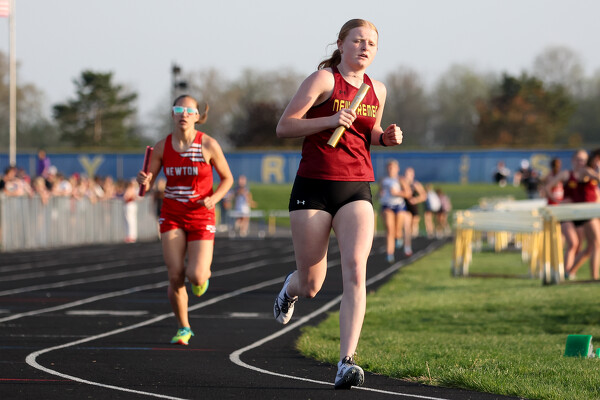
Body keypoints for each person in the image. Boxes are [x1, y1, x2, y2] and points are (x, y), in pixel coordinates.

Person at [272, 19, 403, 390]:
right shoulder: (323, 80)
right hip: (314, 186)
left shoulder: (378, 89)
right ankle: (290, 289)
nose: (364, 48)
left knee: (356, 271)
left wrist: (385, 137)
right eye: (358, 41)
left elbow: (368, 130)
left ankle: (346, 361)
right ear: (341, 44)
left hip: (356, 186)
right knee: (312, 284)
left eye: (371, 43)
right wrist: (330, 119)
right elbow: (285, 126)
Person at [136, 94, 233, 345]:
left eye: (189, 111)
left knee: (196, 275)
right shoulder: (162, 147)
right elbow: (148, 183)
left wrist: (215, 198)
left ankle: (200, 279)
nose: (184, 115)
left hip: (201, 214)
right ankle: (183, 327)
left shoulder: (208, 144)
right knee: (175, 274)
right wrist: (144, 180)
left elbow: (227, 178)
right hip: (172, 215)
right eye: (179, 110)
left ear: (197, 116)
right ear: (172, 114)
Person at [379, 160, 410, 263]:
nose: (390, 170)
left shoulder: (401, 180)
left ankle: (398, 237)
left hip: (399, 206)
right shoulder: (383, 180)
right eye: (389, 167)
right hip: (387, 206)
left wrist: (397, 193)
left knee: (397, 230)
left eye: (392, 168)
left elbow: (408, 193)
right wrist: (380, 194)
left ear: (397, 169)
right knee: (389, 229)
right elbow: (380, 192)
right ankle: (389, 254)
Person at [402, 167, 427, 244]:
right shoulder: (402, 183)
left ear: (412, 175)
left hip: (413, 207)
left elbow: (424, 196)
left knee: (413, 226)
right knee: (406, 226)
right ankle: (406, 243)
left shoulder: (415, 184)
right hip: (404, 207)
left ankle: (413, 242)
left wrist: (415, 200)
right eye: (406, 174)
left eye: (409, 174)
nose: (407, 176)